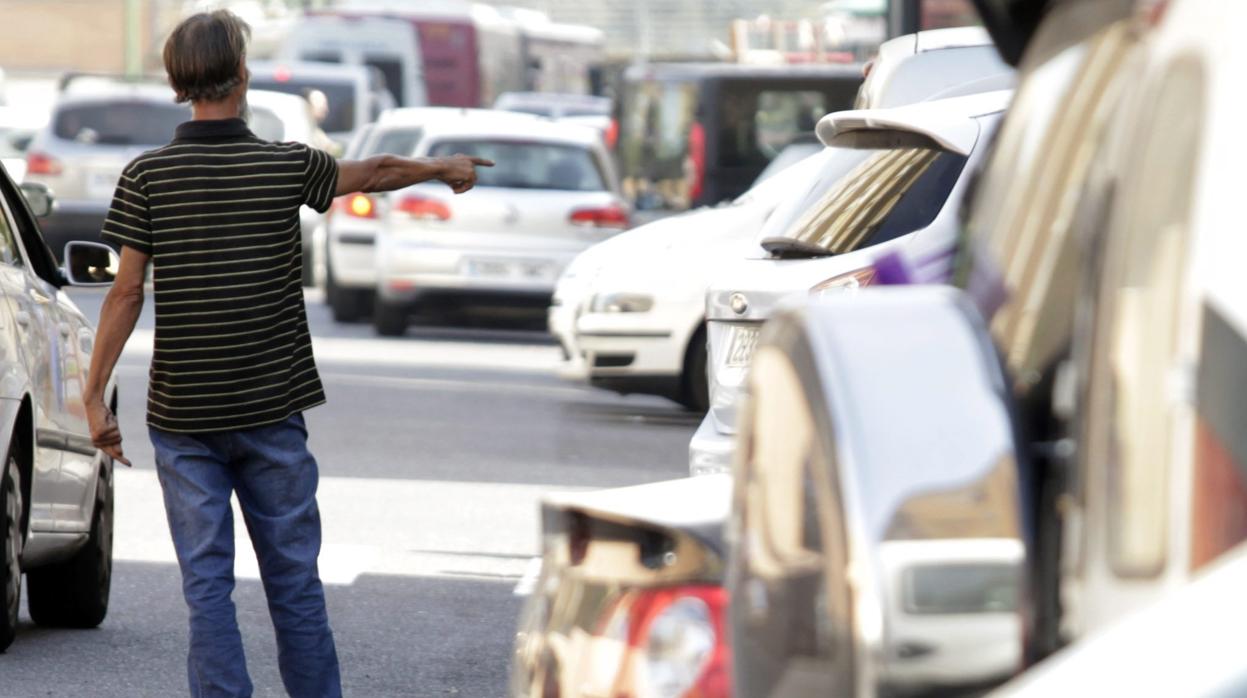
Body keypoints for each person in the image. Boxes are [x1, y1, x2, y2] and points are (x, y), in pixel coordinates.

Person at [82, 10, 492, 698]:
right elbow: (376, 170)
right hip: (273, 411)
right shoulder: (286, 165)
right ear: (241, 76)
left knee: (206, 584)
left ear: (179, 83)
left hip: (184, 417)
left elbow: (125, 293)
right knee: (294, 579)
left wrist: (95, 397)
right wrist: (441, 167)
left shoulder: (148, 176)